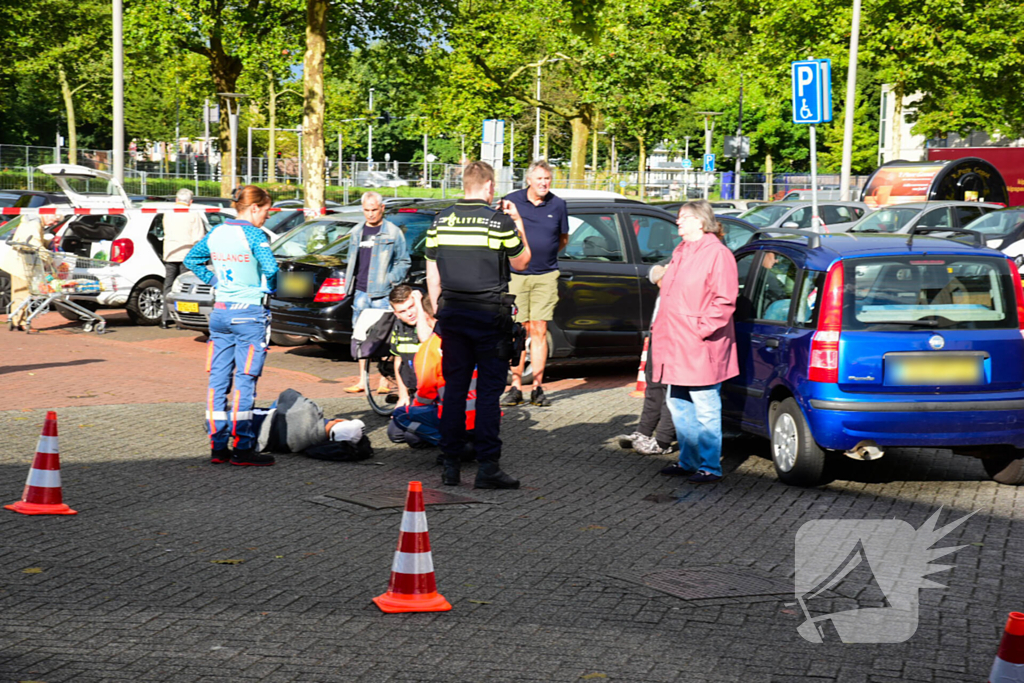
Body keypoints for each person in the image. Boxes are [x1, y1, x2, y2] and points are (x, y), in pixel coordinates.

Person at [426, 161, 532, 489]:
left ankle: (450, 466)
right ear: (488, 186)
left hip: (453, 317)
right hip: (489, 318)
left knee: (454, 391)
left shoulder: (440, 221)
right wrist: (518, 223)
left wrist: (438, 313)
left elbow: (433, 272)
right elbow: (522, 260)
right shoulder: (497, 222)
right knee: (487, 394)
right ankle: (488, 467)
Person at [184, 185, 279, 467]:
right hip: (249, 313)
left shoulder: (217, 232)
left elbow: (192, 260)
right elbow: (271, 268)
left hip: (221, 313)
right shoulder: (252, 233)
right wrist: (268, 289)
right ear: (253, 208)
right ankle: (243, 448)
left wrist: (215, 282)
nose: (267, 217)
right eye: (266, 211)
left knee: (217, 380)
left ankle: (217, 447)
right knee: (245, 381)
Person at [650, 200, 738, 484]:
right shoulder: (682, 251)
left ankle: (710, 466)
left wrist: (700, 329)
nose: (678, 222)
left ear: (700, 222)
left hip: (700, 344)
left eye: (683, 218)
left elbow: (724, 300)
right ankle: (688, 461)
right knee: (678, 402)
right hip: (675, 341)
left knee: (705, 404)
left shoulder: (718, 254)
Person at [501, 160, 569, 408]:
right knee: (518, 331)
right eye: (539, 178)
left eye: (547, 178)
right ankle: (516, 387)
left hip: (546, 275)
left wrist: (546, 255)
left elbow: (563, 239)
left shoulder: (558, 205)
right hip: (516, 276)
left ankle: (538, 387)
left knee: (539, 329)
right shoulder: (511, 201)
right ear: (529, 180)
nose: (544, 183)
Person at [386, 295, 479, 450]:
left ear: (427, 316)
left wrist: (414, 409)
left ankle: (454, 445)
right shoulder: (472, 337)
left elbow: (425, 393)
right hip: (485, 414)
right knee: (410, 434)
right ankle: (471, 440)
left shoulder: (431, 347)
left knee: (401, 418)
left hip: (455, 414)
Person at [342, 191, 410, 394]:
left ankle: (383, 380)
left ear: (382, 209)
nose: (370, 214)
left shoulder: (393, 232)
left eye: (373, 210)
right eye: (366, 210)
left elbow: (403, 261)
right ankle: (362, 380)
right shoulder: (356, 232)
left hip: (382, 293)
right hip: (361, 292)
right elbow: (352, 261)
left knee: (382, 337)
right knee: (360, 336)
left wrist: (390, 279)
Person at [617, 263, 675, 456]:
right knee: (654, 386)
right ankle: (644, 432)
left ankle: (663, 441)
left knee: (669, 389)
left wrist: (665, 273)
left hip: (673, 335)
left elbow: (661, 276)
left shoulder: (699, 255)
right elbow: (654, 274)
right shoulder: (682, 251)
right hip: (658, 333)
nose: (679, 230)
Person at [1, 213, 60, 330]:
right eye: (54, 221)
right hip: (23, 262)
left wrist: (47, 243)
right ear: (48, 215)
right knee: (24, 293)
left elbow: (32, 239)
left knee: (19, 292)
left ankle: (16, 319)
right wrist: (49, 258)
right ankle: (21, 322)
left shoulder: (32, 221)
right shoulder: (34, 223)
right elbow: (34, 242)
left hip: (20, 261)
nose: (54, 224)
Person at [161, 188, 207, 329]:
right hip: (187, 254)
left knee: (168, 286)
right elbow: (198, 237)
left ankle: (165, 318)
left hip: (170, 253)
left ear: (176, 200)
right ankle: (181, 319)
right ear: (191, 202)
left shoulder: (167, 215)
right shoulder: (193, 215)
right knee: (183, 288)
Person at [387, 285, 434, 406]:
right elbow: (398, 361)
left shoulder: (429, 322)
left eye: (411, 307)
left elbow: (426, 338)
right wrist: (403, 394)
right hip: (414, 390)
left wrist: (419, 304)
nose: (409, 314)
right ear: (396, 314)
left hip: (434, 391)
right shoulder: (399, 328)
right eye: (402, 311)